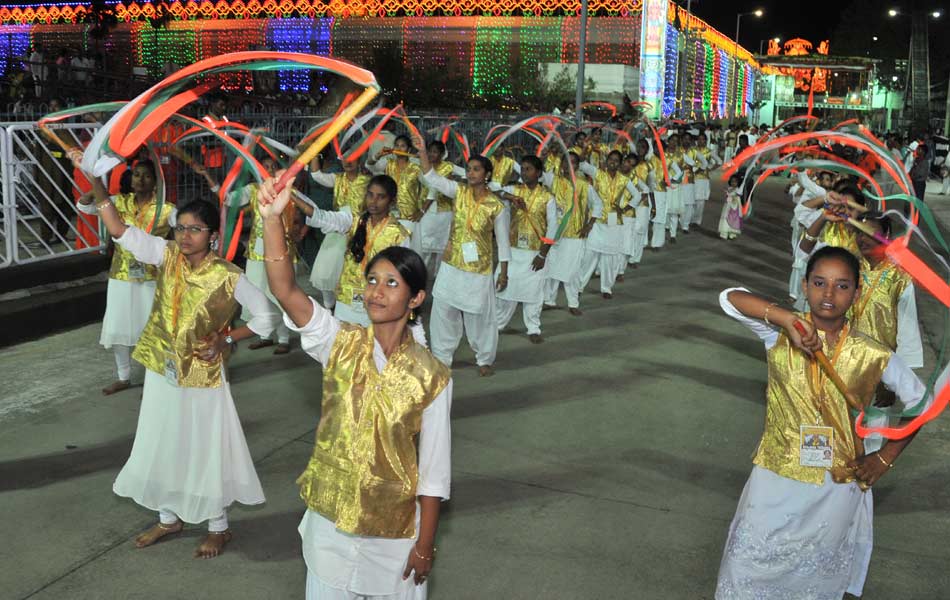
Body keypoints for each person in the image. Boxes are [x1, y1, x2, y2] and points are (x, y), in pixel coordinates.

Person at [258, 176, 451, 599]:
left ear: (416, 299)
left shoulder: (432, 375)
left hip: (394, 530)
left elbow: (434, 472)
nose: (376, 292)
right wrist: (272, 220)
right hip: (331, 519)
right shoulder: (340, 342)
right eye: (372, 281)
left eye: (391, 283)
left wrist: (424, 544)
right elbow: (286, 290)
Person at [76, 161, 281, 557]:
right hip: (161, 369)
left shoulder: (228, 275)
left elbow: (268, 318)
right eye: (180, 227)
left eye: (195, 229)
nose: (185, 236)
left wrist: (227, 339)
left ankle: (218, 527)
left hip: (203, 377)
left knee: (204, 448)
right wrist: (96, 181)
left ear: (214, 237)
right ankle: (169, 517)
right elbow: (119, 230)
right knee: (161, 441)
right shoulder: (166, 254)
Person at [715, 246, 927, 599]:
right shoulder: (778, 336)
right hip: (776, 475)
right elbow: (728, 298)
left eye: (842, 286)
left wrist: (884, 457)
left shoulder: (874, 353)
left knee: (813, 581)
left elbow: (923, 403)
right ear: (805, 284)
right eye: (819, 283)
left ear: (856, 294)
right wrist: (785, 319)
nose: (828, 294)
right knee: (747, 568)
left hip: (835, 485)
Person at [77, 160, 177, 395]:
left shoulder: (166, 209)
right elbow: (84, 206)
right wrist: (97, 186)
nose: (140, 180)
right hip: (121, 275)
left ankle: (160, 375)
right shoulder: (117, 202)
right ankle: (123, 377)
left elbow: (182, 229)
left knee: (155, 326)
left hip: (153, 277)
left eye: (146, 176)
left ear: (156, 182)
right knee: (119, 327)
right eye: (136, 175)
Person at [414, 132, 510, 377]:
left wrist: (504, 272)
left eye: (476, 169)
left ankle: (484, 357)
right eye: (469, 168)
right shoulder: (459, 191)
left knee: (479, 316)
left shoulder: (496, 206)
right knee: (443, 311)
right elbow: (432, 178)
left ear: (487, 174)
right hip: (452, 263)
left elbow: (504, 241)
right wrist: (423, 153)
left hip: (479, 269)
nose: (471, 173)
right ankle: (442, 357)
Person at [295, 174, 411, 326]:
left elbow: (402, 278)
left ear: (392, 200)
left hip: (377, 301)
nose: (373, 201)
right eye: (370, 195)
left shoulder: (399, 235)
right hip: (346, 300)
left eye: (380, 197)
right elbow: (322, 217)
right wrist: (292, 195)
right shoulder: (353, 221)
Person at [210, 157, 297, 354]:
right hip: (256, 252)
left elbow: (298, 214)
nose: (268, 170)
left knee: (279, 294)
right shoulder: (253, 189)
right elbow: (228, 199)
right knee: (260, 293)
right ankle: (265, 336)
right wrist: (209, 177)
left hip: (279, 250)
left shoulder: (287, 190)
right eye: (263, 167)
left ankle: (283, 338)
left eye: (272, 166)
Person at [493, 155, 557, 343]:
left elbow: (553, 227)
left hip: (535, 252)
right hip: (512, 250)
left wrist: (543, 254)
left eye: (528, 169)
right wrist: (510, 197)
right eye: (523, 169)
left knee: (533, 293)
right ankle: (497, 324)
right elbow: (491, 189)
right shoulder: (515, 189)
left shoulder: (548, 197)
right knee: (506, 289)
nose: (524, 172)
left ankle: (533, 328)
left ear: (538, 173)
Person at [308, 154, 371, 309]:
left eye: (351, 158)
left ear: (359, 160)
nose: (348, 162)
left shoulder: (368, 181)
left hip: (360, 231)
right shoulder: (337, 178)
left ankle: (353, 307)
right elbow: (316, 174)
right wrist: (315, 152)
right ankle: (329, 307)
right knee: (325, 272)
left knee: (354, 271)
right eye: (344, 159)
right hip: (337, 229)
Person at [578, 150, 640, 299]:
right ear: (606, 160)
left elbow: (637, 195)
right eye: (610, 159)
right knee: (590, 254)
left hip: (613, 218)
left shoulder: (624, 180)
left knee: (610, 255)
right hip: (597, 217)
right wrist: (585, 148)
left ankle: (606, 288)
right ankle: (579, 287)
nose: (613, 162)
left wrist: (624, 208)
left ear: (620, 163)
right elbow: (582, 165)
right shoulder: (598, 173)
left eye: (616, 160)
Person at [541, 152, 595, 315]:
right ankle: (549, 300)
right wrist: (543, 156)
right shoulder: (553, 180)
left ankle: (573, 303)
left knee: (572, 270)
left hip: (574, 234)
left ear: (577, 166)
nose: (568, 165)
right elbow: (540, 176)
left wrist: (589, 225)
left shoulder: (584, 185)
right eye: (565, 162)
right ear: (561, 163)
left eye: (572, 163)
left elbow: (598, 205)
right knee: (551, 267)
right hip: (554, 232)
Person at [367, 135, 425, 252]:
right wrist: (379, 154)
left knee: (407, 251)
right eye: (397, 145)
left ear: (409, 149)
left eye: (402, 146)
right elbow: (369, 165)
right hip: (389, 214)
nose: (399, 148)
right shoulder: (388, 163)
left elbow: (432, 188)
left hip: (409, 217)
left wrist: (422, 210)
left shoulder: (416, 168)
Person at [417, 140, 458, 278]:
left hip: (444, 213)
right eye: (430, 151)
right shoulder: (423, 166)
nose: (431, 154)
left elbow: (435, 190)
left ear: (442, 154)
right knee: (424, 246)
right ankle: (421, 276)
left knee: (442, 248)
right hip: (427, 212)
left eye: (435, 152)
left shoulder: (449, 167)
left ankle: (440, 279)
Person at [718, 174, 742, 240]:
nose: (733, 183)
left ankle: (732, 233)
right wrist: (728, 193)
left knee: (734, 220)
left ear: (738, 182)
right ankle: (724, 233)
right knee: (726, 218)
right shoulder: (728, 189)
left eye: (735, 181)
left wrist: (734, 196)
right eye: (732, 181)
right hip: (728, 207)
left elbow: (738, 196)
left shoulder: (739, 190)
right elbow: (727, 196)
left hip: (735, 207)